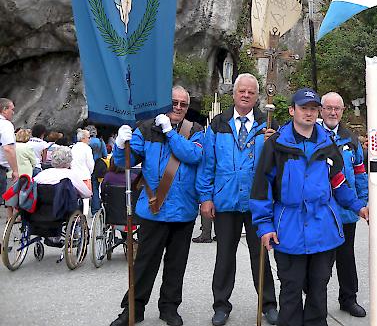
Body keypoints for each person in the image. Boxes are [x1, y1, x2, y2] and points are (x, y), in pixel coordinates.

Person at [250, 88, 368, 326]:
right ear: (292, 110)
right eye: (304, 108)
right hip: (289, 227)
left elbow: (338, 182)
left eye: (314, 108)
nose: (309, 113)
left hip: (323, 226)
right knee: (291, 287)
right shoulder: (275, 146)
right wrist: (264, 226)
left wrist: (359, 206)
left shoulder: (328, 145)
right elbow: (262, 187)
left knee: (318, 286)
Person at [109, 85, 204, 326]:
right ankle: (133, 309)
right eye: (174, 102)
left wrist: (170, 132)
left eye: (183, 104)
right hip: (154, 208)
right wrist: (120, 145)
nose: (179, 107)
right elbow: (126, 162)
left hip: (183, 211)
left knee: (176, 265)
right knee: (144, 264)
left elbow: (193, 156)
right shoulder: (146, 129)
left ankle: (169, 308)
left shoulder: (195, 130)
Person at [196, 74, 278, 326]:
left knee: (261, 256)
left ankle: (268, 304)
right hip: (226, 201)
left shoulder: (267, 126)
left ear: (256, 96)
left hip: (257, 203)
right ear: (233, 94)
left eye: (250, 92)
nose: (245, 95)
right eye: (241, 91)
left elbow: (277, 166)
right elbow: (207, 164)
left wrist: (273, 143)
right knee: (224, 257)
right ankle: (221, 305)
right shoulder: (218, 124)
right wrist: (206, 198)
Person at [319, 91, 369, 318]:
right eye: (328, 107)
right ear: (321, 110)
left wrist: (364, 201)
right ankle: (315, 301)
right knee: (321, 261)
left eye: (336, 108)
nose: (332, 112)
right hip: (322, 211)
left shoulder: (351, 140)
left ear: (342, 111)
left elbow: (360, 173)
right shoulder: (314, 136)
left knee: (346, 257)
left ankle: (349, 298)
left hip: (347, 211)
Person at [0, 98, 19, 219]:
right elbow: (8, 148)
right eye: (12, 109)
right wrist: (15, 170)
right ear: (4, 110)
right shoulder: (5, 125)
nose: (13, 112)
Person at [86, 125, 108, 214]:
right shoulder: (100, 141)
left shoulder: (86, 142)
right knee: (95, 189)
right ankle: (95, 209)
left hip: (87, 168)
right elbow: (105, 155)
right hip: (97, 167)